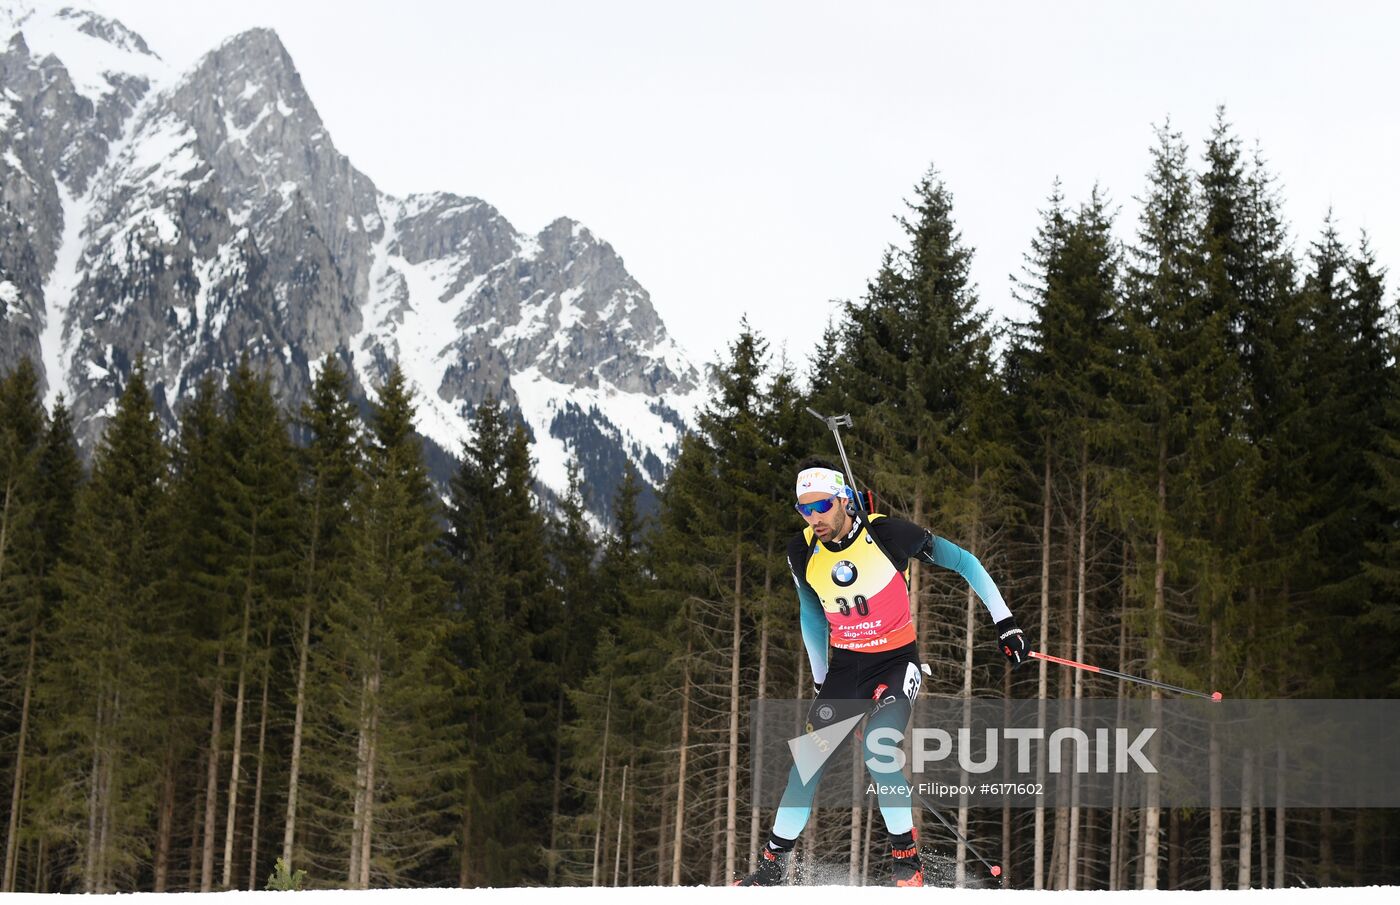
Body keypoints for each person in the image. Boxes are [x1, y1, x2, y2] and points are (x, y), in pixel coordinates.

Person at [737, 458, 1029, 887]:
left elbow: (966, 563)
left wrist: (1006, 623)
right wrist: (821, 683)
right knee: (807, 764)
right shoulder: (801, 550)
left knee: (879, 748)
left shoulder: (888, 534)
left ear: (844, 500)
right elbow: (812, 615)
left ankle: (907, 861)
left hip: (896, 661)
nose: (813, 517)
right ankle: (772, 867)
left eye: (821, 505)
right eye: (804, 508)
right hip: (846, 668)